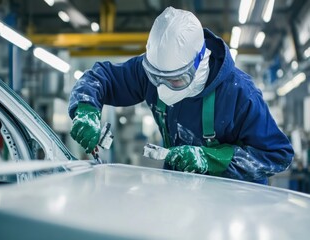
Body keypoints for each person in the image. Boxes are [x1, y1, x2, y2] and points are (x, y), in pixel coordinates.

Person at [68, 7, 294, 184]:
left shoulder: (240, 93)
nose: (163, 88)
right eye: (155, 78)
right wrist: (86, 109)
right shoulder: (154, 73)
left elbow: (277, 155)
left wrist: (209, 159)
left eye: (175, 80)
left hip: (235, 203)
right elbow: (101, 77)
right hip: (180, 195)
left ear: (199, 62)